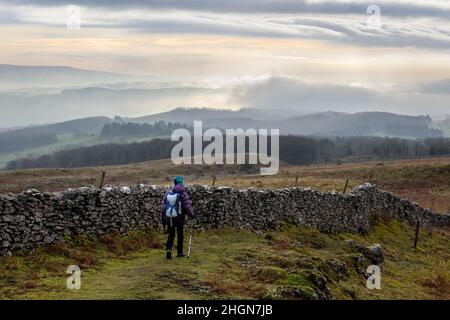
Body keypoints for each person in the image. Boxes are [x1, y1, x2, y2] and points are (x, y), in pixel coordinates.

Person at [161, 176, 194, 259]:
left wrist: (163, 218)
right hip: (179, 217)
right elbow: (187, 207)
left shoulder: (168, 194)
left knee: (171, 234)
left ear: (174, 183)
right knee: (180, 234)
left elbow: (164, 207)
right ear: (182, 183)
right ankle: (179, 252)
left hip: (170, 217)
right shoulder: (183, 194)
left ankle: (169, 249)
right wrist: (191, 215)